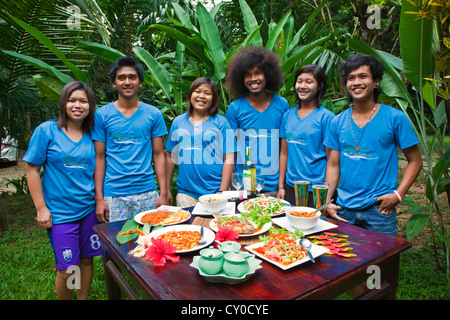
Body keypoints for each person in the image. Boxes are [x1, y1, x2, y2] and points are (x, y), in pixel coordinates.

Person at [324, 54, 422, 237]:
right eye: (351, 78)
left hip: (379, 210)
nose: (356, 82)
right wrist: (327, 201)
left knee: (382, 263)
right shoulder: (336, 122)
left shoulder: (395, 118)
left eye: (363, 76)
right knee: (345, 262)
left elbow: (415, 161)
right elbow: (333, 164)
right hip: (344, 209)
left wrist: (398, 195)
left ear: (376, 81)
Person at [25, 81, 100, 300]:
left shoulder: (93, 134)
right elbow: (32, 169)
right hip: (60, 213)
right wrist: (41, 208)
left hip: (88, 209)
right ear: (63, 103)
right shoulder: (47, 131)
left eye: (83, 101)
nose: (78, 105)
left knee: (87, 259)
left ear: (90, 105)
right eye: (72, 100)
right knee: (67, 267)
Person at [92, 56, 168, 223]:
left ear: (140, 82)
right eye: (121, 78)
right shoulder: (102, 115)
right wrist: (99, 198)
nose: (127, 82)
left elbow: (158, 154)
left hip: (147, 193)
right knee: (117, 244)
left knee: (150, 243)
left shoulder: (153, 114)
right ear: (114, 83)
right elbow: (99, 157)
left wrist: (163, 193)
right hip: (114, 194)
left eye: (132, 77)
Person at [225, 46, 290, 195]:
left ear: (268, 75)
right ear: (241, 79)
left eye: (258, 73)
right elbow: (230, 151)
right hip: (245, 186)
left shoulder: (282, 105)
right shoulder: (235, 108)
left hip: (274, 185)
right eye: (248, 75)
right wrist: (231, 185)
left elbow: (285, 148)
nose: (253, 79)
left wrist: (281, 185)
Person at [165, 77, 237, 207]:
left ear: (213, 99)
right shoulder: (178, 122)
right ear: (190, 94)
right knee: (188, 227)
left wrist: (222, 192)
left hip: (215, 192)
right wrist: (165, 190)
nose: (201, 96)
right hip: (186, 194)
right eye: (197, 91)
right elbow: (171, 157)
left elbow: (229, 158)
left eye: (207, 93)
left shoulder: (221, 123)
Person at [277, 64, 334, 207]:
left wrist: (326, 196)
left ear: (320, 85)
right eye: (299, 81)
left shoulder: (327, 118)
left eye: (309, 82)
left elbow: (332, 160)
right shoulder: (287, 116)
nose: (302, 86)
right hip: (291, 187)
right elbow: (284, 153)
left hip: (316, 189)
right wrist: (281, 186)